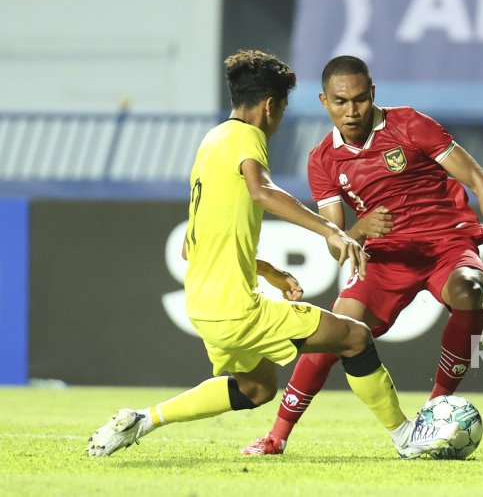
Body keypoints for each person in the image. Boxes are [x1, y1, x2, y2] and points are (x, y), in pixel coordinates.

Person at [86, 50, 459, 459]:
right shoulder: (248, 137)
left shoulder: (211, 142)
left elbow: (190, 245)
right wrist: (331, 230)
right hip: (236, 308)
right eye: (280, 110)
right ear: (269, 106)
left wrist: (268, 271)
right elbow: (262, 191)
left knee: (257, 387)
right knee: (355, 337)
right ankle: (406, 436)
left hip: (203, 304)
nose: (278, 121)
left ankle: (143, 419)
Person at [241, 55, 483, 455]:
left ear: (373, 94)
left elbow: (477, 178)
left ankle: (434, 411)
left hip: (445, 242)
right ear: (324, 101)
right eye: (341, 101)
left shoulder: (410, 125)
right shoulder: (323, 160)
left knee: (470, 289)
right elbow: (335, 240)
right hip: (385, 257)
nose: (352, 110)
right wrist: (359, 231)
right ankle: (276, 435)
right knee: (334, 331)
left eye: (360, 99)